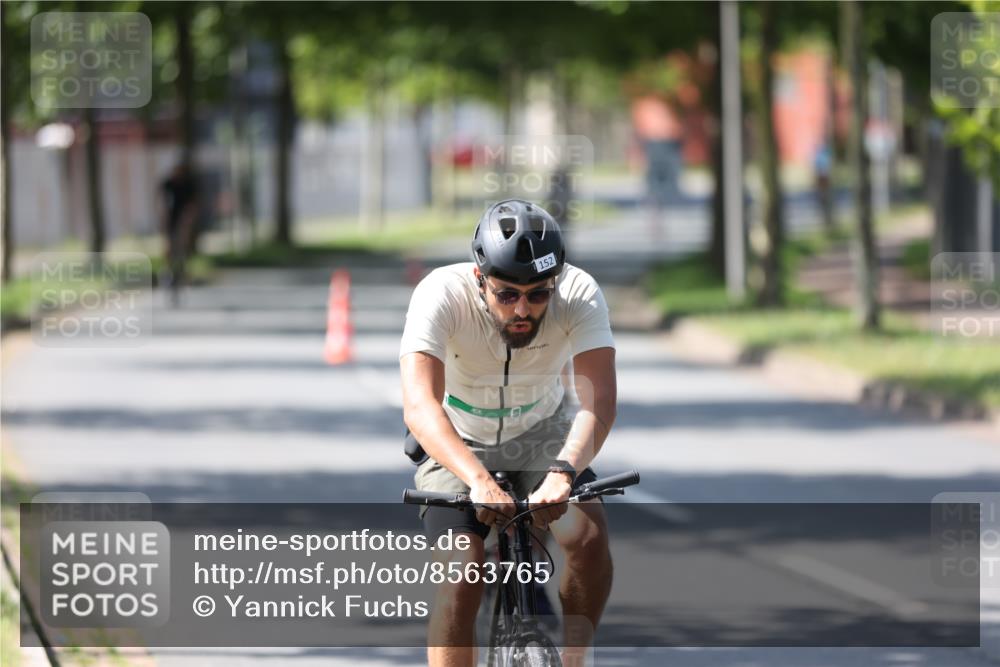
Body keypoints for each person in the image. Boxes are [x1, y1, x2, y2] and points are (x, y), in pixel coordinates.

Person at [399, 199, 617, 667]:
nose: (523, 308)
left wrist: (563, 471)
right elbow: (420, 406)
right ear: (480, 279)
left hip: (542, 431)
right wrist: (478, 479)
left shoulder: (579, 292)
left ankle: (576, 658)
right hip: (458, 439)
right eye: (506, 294)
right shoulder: (440, 294)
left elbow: (598, 403)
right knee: (460, 572)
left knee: (588, 537)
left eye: (539, 294)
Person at [158, 162, 199, 305]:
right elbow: (161, 203)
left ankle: (183, 274)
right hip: (170, 221)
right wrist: (163, 222)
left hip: (184, 223)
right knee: (168, 249)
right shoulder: (167, 184)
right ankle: (168, 273)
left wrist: (187, 226)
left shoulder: (188, 185)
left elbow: (191, 208)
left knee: (182, 250)